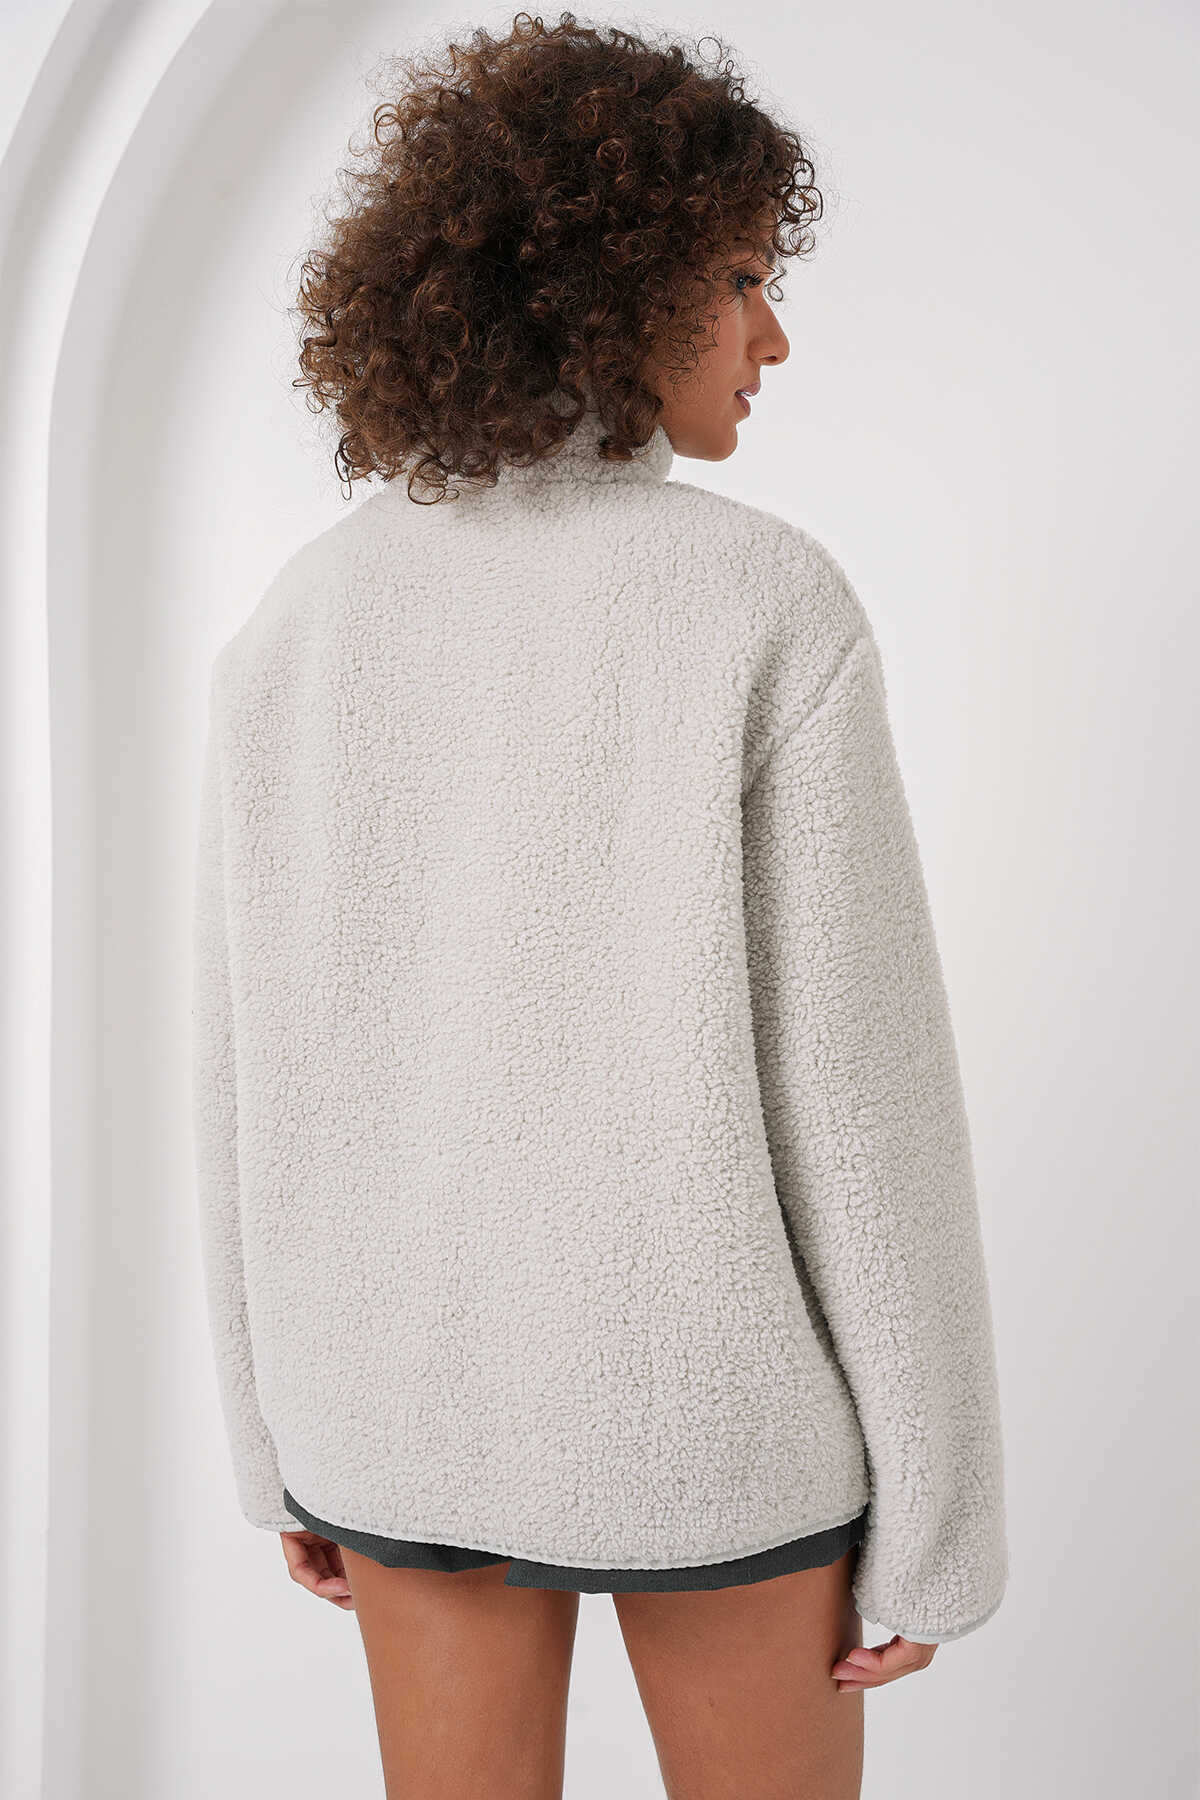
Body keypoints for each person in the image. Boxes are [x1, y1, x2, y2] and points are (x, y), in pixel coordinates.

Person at [191, 14, 1007, 1798]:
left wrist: (276, 1443)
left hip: (391, 1413)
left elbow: (247, 1076)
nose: (774, 337)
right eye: (742, 279)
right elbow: (862, 1108)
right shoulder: (760, 603)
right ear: (611, 287)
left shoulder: (301, 621)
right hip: (705, 1428)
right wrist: (941, 1521)